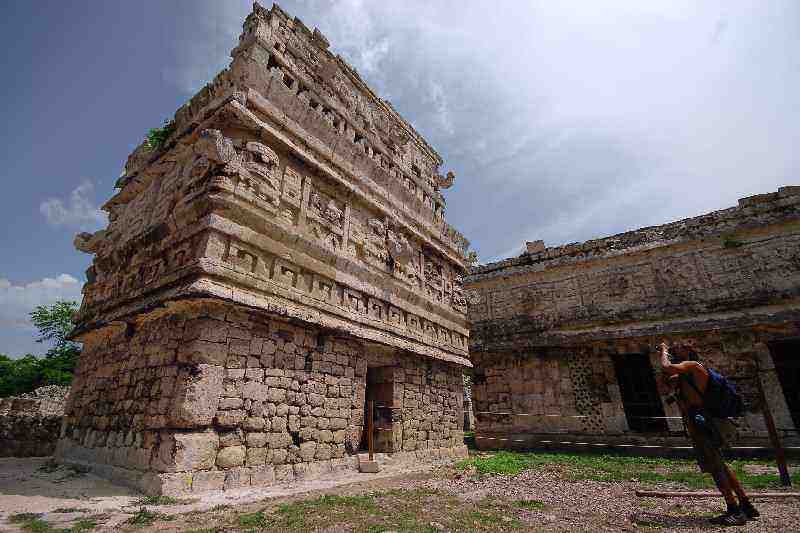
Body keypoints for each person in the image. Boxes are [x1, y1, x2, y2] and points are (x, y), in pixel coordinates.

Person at [657, 340, 759, 526]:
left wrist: (663, 350)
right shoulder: (685, 374)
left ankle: (734, 509)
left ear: (688, 351)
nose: (674, 348)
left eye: (677, 346)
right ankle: (746, 504)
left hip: (704, 424)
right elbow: (664, 384)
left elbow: (667, 366)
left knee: (716, 468)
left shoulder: (694, 366)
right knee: (721, 465)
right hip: (700, 423)